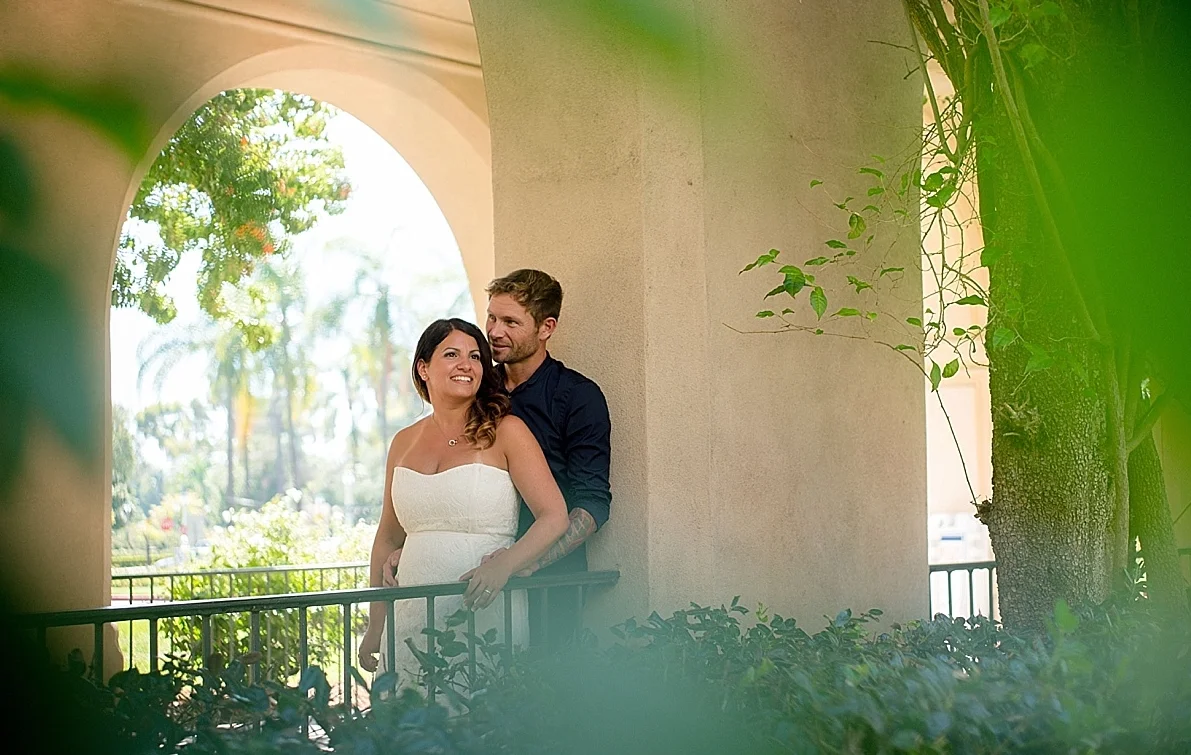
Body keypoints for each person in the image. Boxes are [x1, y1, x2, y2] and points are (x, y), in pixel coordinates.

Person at [384, 269, 612, 647]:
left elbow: (593, 503)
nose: (494, 332)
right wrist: (417, 547)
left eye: (510, 322)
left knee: (536, 694)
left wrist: (524, 563)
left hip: (551, 583)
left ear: (546, 328)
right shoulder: (474, 382)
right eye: (491, 317)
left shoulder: (578, 397)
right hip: (467, 580)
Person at [357, 318, 569, 678]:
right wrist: (376, 624)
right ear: (423, 368)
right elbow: (388, 538)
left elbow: (554, 516)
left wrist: (505, 565)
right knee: (407, 724)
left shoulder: (508, 431)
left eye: (475, 356)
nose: (466, 365)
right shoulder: (403, 442)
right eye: (451, 354)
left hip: (484, 609)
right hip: (409, 614)